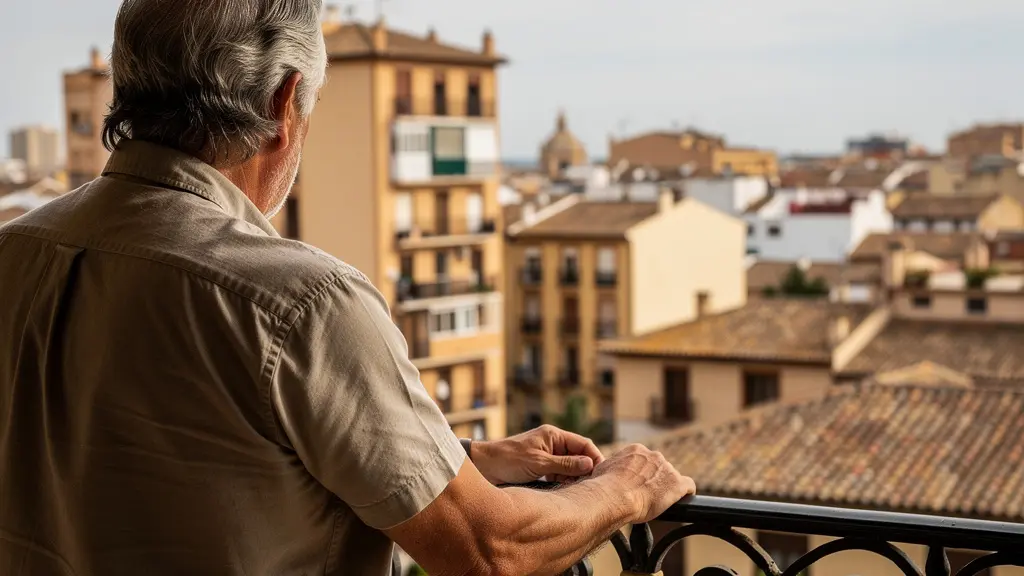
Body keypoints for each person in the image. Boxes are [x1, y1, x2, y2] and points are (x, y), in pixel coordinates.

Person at [0, 1, 695, 575]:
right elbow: (488, 549)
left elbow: (175, 461)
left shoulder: (17, 253)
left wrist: (453, 460)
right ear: (284, 102)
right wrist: (624, 488)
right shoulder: (299, 302)